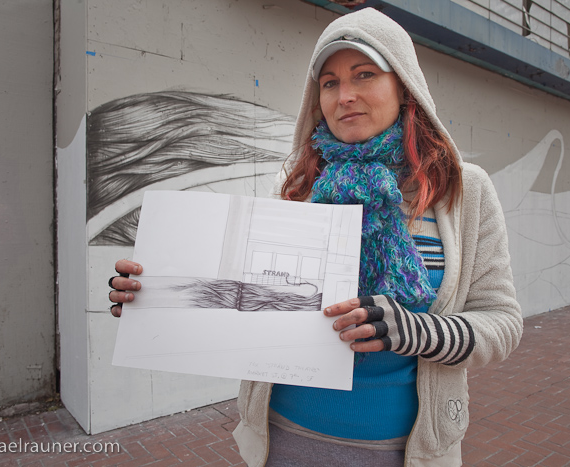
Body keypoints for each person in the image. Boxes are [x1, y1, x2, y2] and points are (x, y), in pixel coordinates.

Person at [109, 7, 523, 466]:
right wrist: (158, 293)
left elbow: (501, 322)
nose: (345, 95)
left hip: (401, 451)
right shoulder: (299, 184)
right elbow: (252, 296)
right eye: (330, 82)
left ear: (404, 87)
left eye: (364, 74)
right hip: (285, 438)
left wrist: (417, 331)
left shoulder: (463, 191)